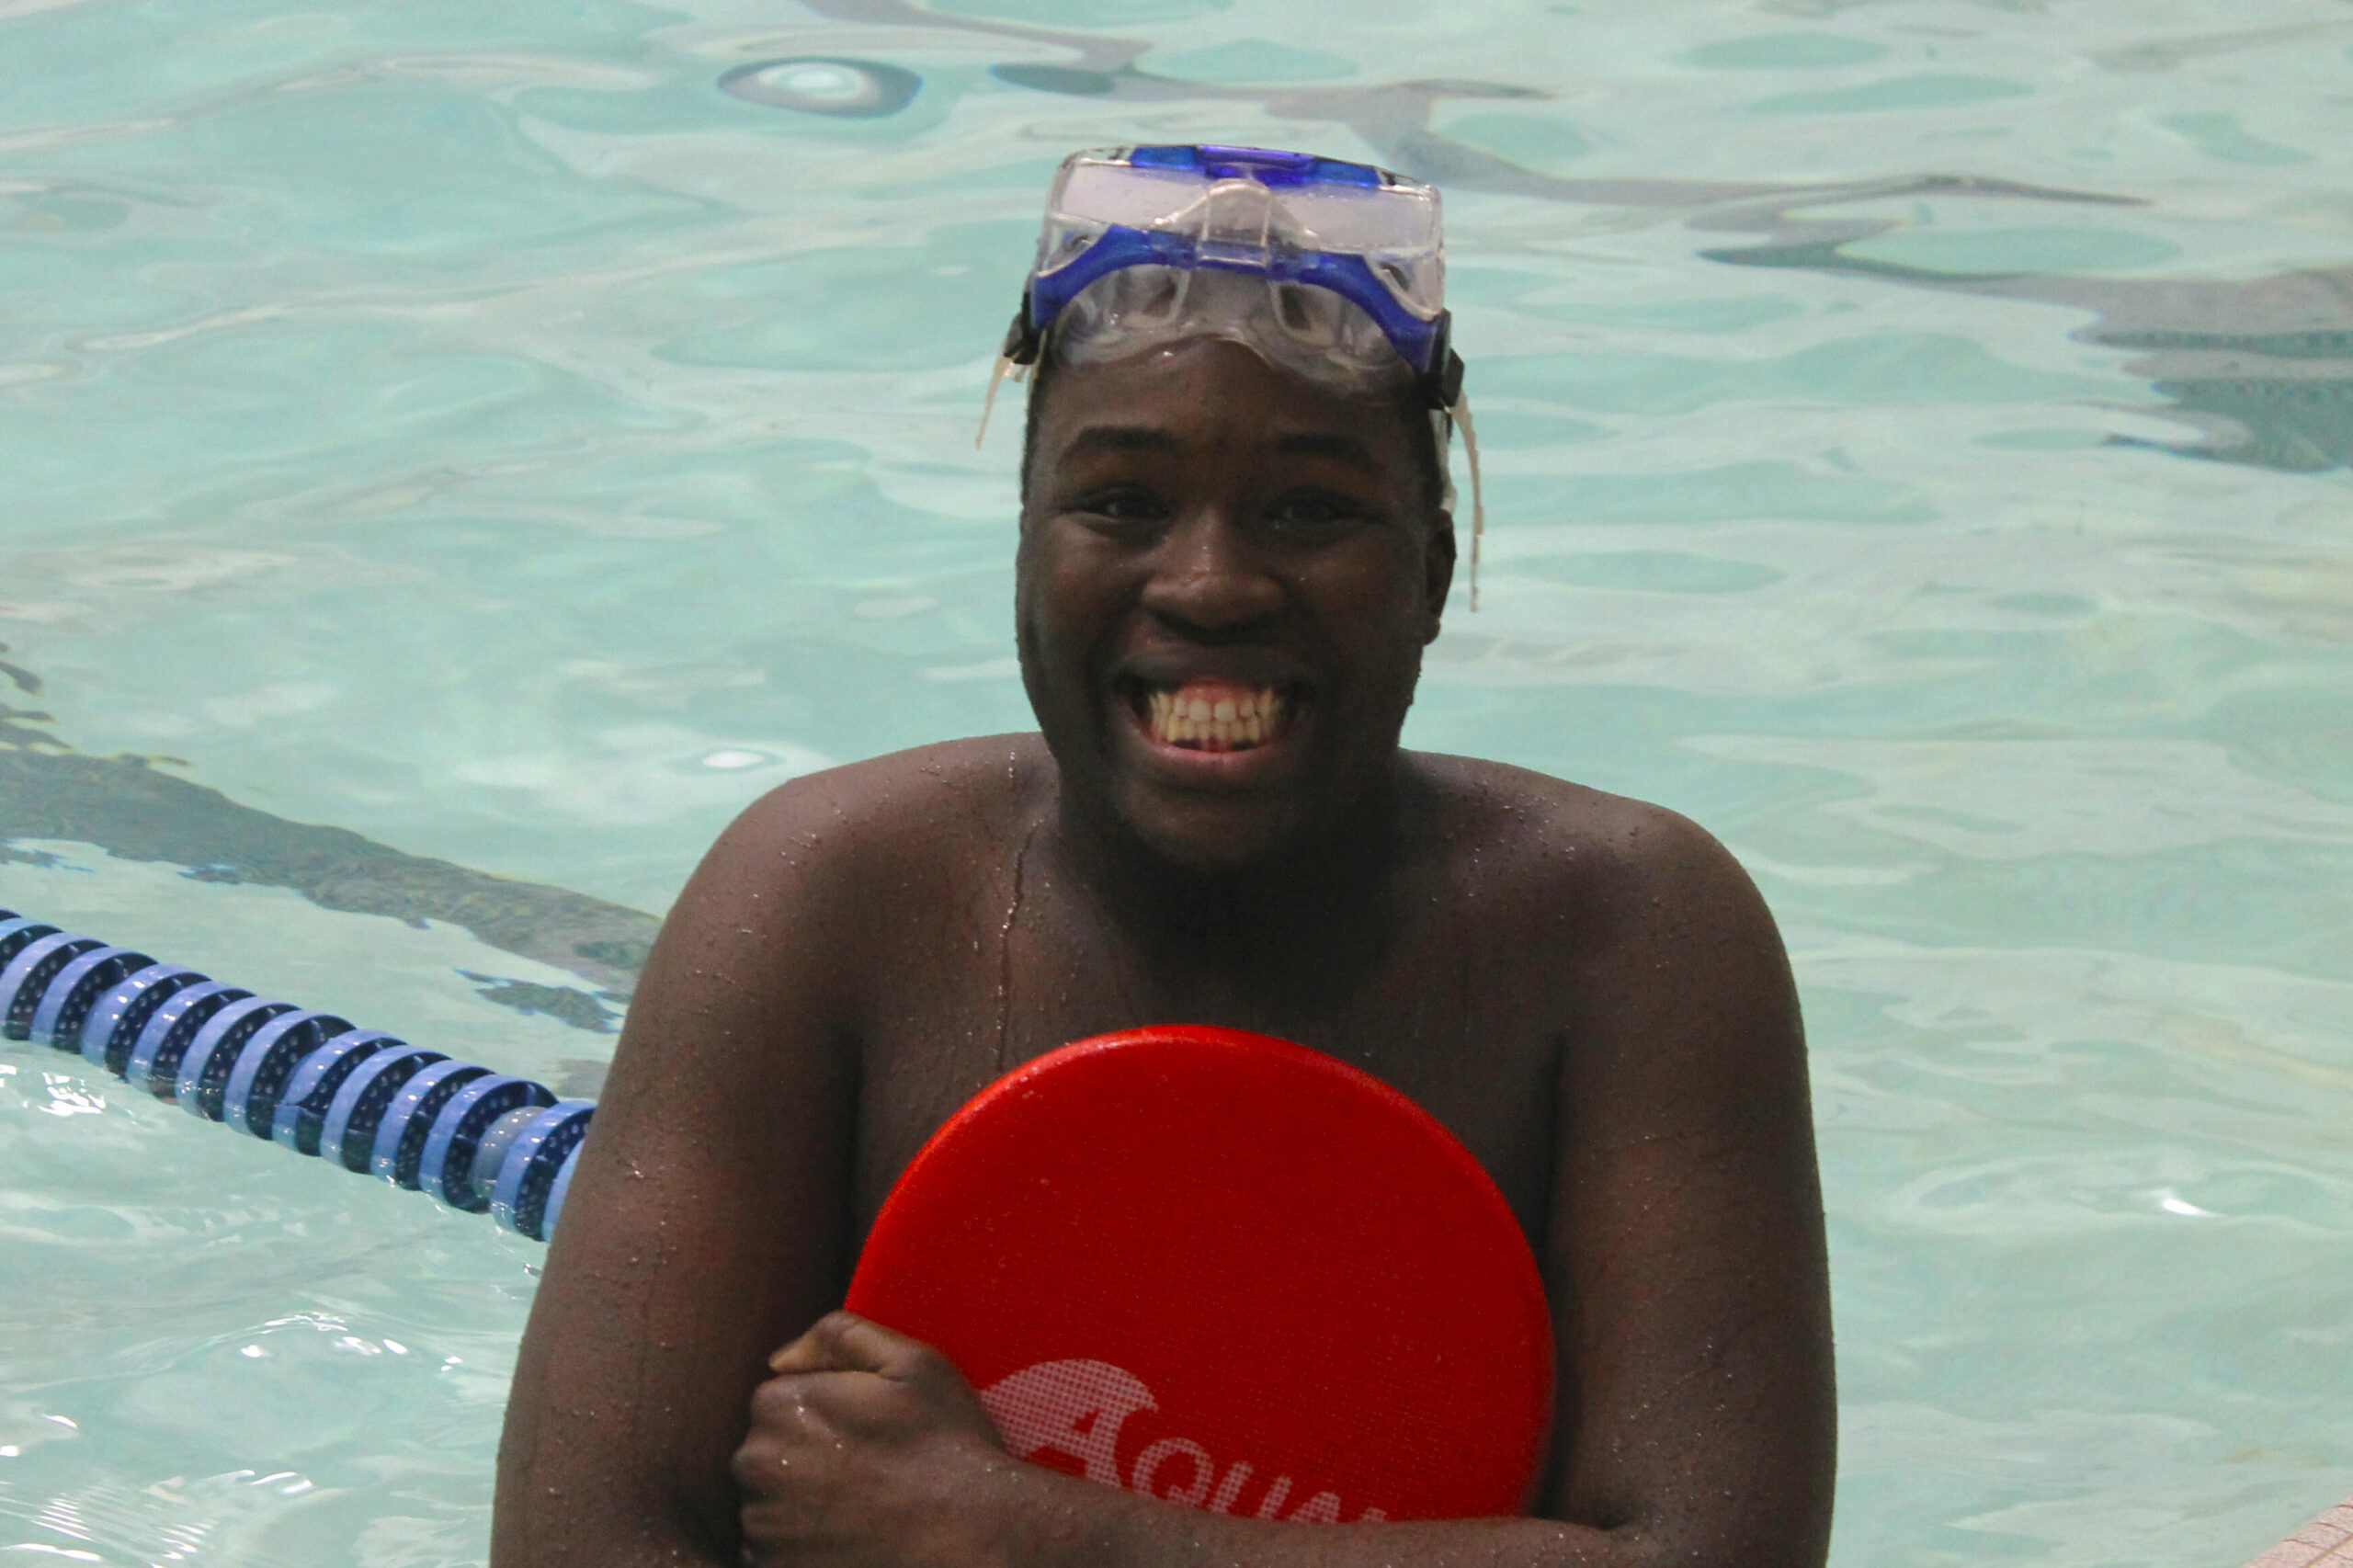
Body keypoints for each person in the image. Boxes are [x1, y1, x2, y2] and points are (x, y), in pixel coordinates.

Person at [491, 145, 1835, 1568]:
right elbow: (581, 1541)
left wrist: (1025, 1534)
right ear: (1026, 547)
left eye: (1310, 509)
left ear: (1435, 573)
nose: (1210, 584)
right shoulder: (827, 900)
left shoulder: (1629, 940)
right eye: (1123, 503)